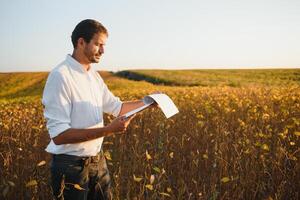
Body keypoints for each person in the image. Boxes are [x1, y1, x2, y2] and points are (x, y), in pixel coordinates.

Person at [42, 19, 153, 200]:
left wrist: (148, 102)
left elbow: (117, 107)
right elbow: (59, 135)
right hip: (70, 167)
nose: (103, 50)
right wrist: (108, 130)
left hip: (97, 162)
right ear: (81, 42)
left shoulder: (93, 76)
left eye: (104, 45)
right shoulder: (60, 77)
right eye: (98, 44)